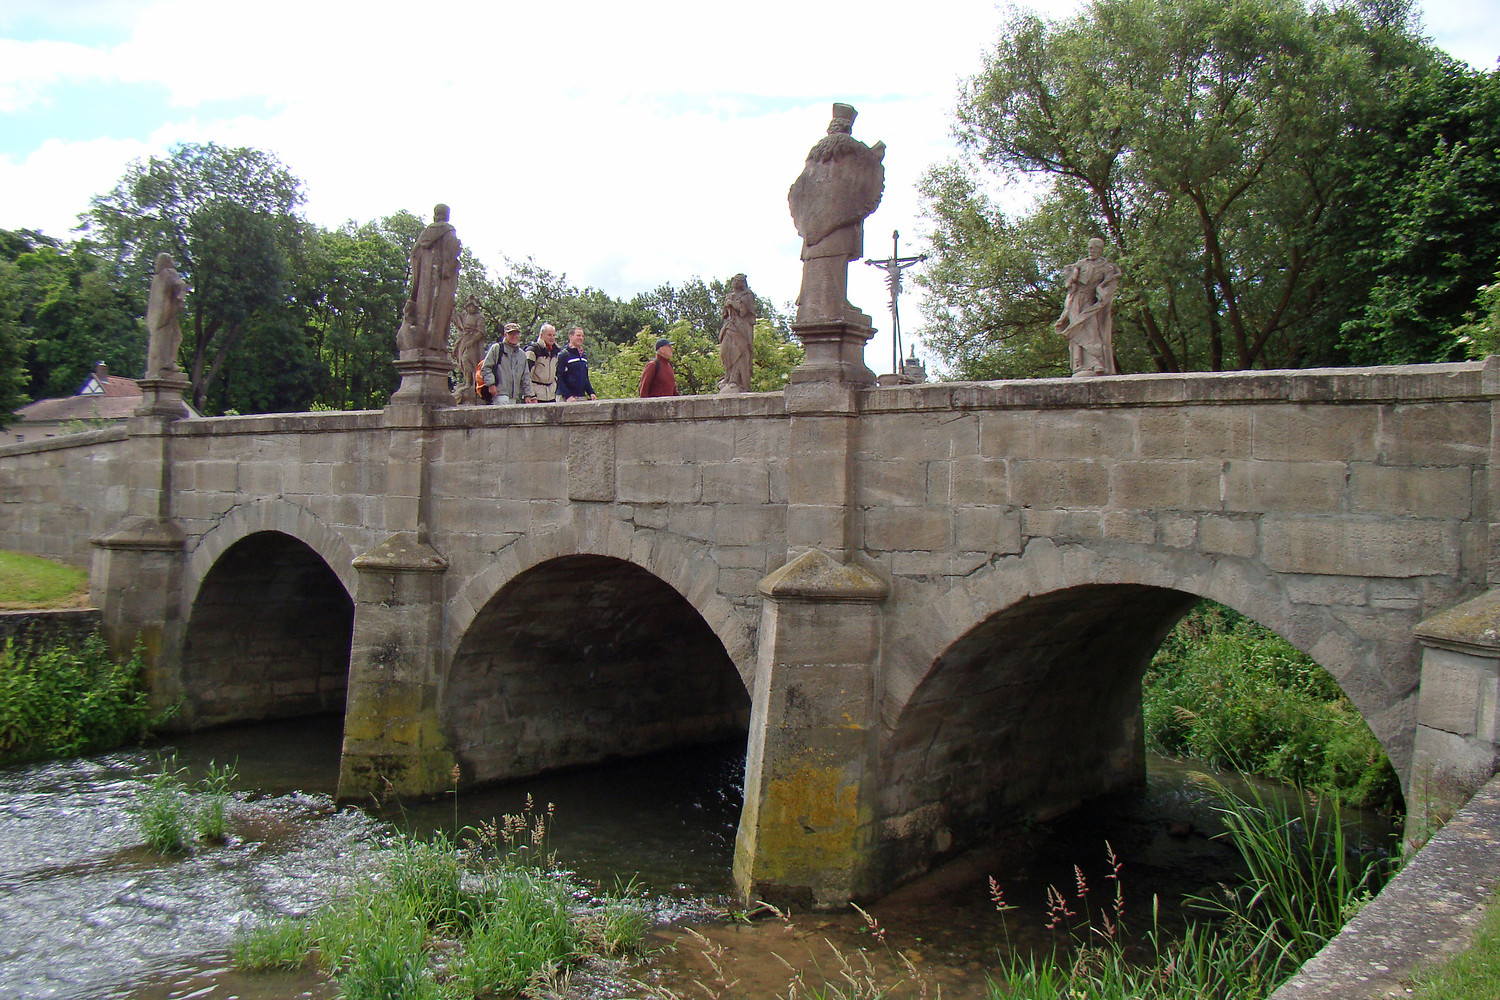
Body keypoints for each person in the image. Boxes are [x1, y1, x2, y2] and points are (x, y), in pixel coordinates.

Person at [788, 103, 885, 326]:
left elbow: (797, 191)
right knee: (836, 258)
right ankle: (832, 304)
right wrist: (875, 156)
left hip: (814, 229)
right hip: (839, 222)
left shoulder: (814, 158)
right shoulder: (851, 150)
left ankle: (824, 303)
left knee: (826, 261)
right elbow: (866, 169)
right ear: (847, 129)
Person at [1054, 237, 1122, 377]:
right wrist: (1071, 275)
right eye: (1089, 247)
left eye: (1094, 247)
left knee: (1092, 330)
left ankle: (1096, 362)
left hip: (1091, 301)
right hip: (1076, 300)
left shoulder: (1106, 267)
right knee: (1077, 330)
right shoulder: (1080, 264)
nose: (1091, 250)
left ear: (1100, 249)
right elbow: (1069, 281)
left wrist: (1103, 291)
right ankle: (1080, 364)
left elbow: (1110, 285)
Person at [409, 203, 462, 350]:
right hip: (441, 281)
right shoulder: (448, 232)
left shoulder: (424, 235)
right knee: (439, 310)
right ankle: (435, 343)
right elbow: (452, 252)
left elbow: (414, 255)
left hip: (424, 284)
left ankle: (419, 341)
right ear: (446, 215)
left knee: (424, 311)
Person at [145, 252, 188, 377]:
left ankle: (159, 365)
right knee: (176, 336)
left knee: (160, 339)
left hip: (160, 317)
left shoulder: (156, 279)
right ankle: (169, 362)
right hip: (167, 315)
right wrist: (185, 285)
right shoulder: (169, 273)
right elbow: (178, 285)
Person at [717, 274, 755, 394]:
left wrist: (733, 304)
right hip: (730, 325)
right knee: (726, 351)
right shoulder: (729, 295)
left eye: (739, 280)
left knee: (740, 352)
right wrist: (727, 305)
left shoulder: (747, 296)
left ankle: (736, 381)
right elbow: (724, 314)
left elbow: (745, 312)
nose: (736, 282)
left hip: (742, 327)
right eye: (735, 280)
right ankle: (728, 377)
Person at [480, 322, 531, 404]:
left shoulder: (522, 354)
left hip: (514, 396)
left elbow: (525, 376)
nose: (514, 336)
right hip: (499, 393)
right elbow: (486, 368)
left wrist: (528, 395)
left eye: (516, 333)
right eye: (511, 334)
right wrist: (491, 384)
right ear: (505, 335)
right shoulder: (497, 348)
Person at [451, 295, 486, 403]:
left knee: (468, 361)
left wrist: (472, 341)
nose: (470, 309)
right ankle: (467, 382)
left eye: (472, 307)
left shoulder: (479, 317)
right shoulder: (465, 315)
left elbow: (481, 332)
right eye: (469, 307)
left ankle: (472, 383)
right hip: (464, 339)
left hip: (473, 343)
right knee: (462, 360)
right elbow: (456, 319)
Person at [557, 327, 596, 401]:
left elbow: (585, 377)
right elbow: (559, 378)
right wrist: (568, 396)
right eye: (578, 335)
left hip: (581, 397)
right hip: (566, 398)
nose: (581, 338)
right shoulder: (564, 354)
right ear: (570, 337)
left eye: (582, 336)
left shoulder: (583, 356)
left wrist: (591, 392)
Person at [525, 323, 561, 402]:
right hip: (537, 395)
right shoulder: (532, 351)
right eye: (549, 335)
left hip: (551, 395)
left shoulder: (556, 352)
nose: (552, 338)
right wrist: (531, 395)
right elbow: (526, 375)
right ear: (541, 335)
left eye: (553, 335)